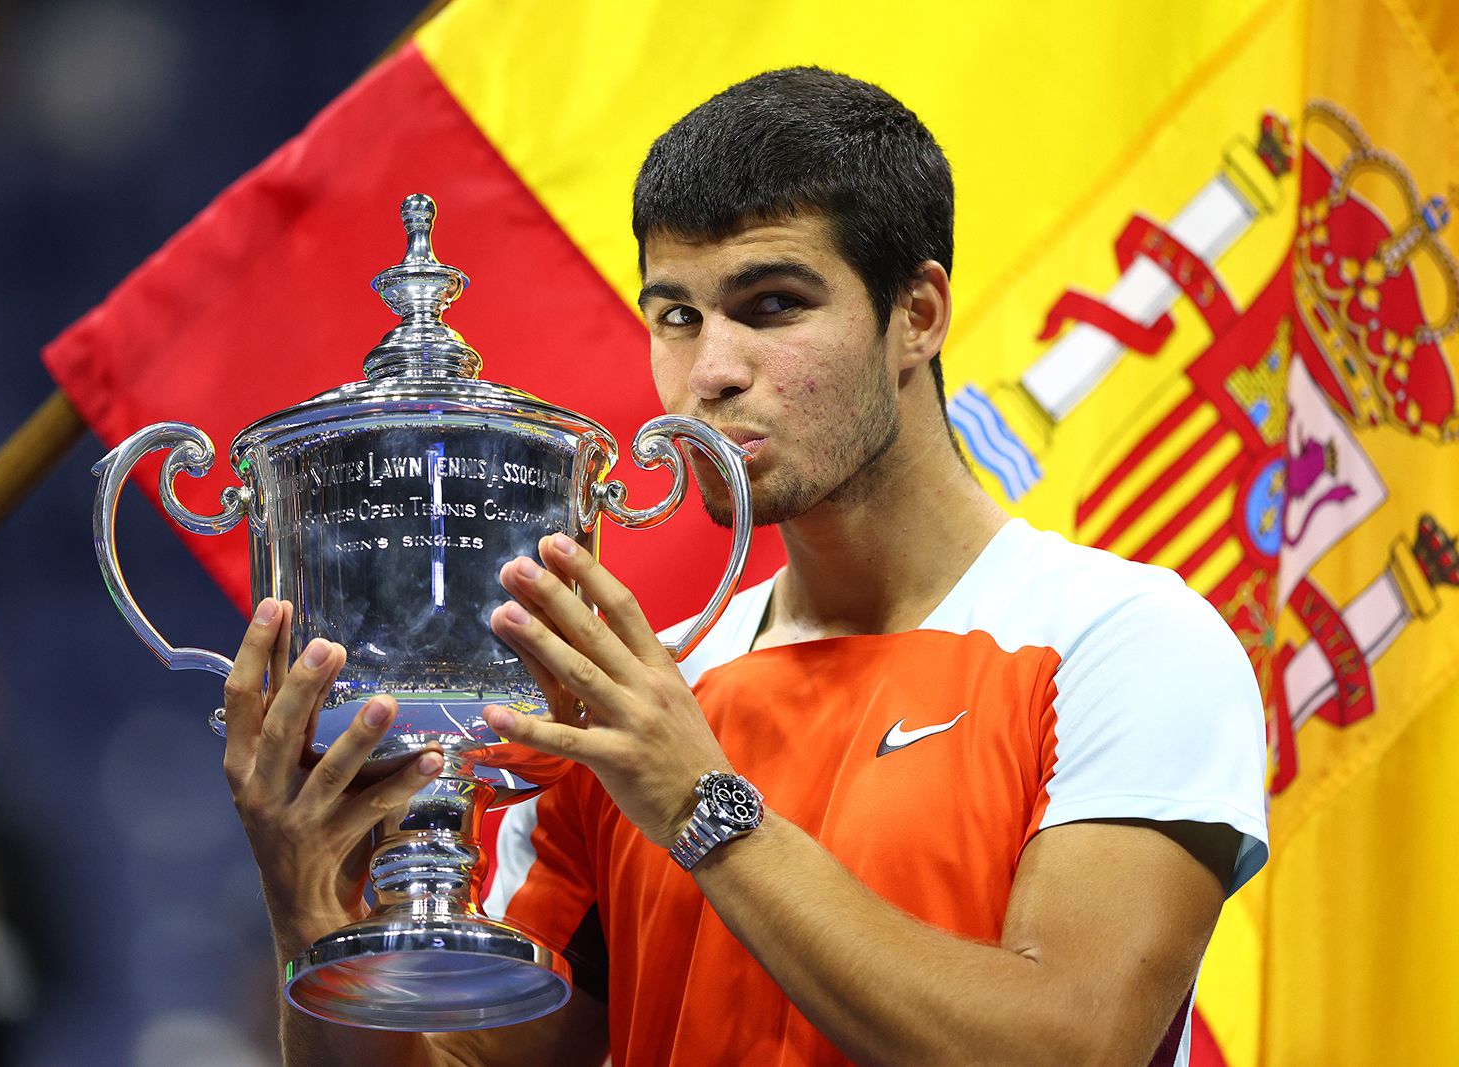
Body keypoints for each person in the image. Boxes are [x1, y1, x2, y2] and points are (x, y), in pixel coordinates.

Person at [220, 67, 1268, 1067]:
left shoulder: (1126, 639)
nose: (710, 372)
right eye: (675, 315)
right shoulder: (630, 703)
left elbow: (1071, 1043)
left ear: (918, 314)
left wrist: (703, 806)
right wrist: (312, 908)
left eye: (771, 304)